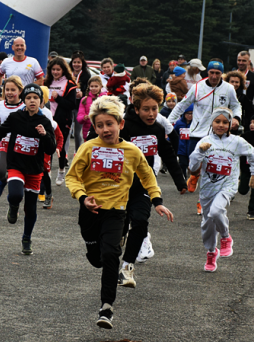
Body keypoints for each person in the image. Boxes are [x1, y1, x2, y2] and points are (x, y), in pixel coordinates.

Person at [66, 95, 174, 329]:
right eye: (100, 125)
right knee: (96, 259)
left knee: (110, 255)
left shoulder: (132, 151)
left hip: (116, 211)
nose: (105, 129)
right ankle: (101, 253)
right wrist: (83, 198)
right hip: (90, 212)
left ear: (120, 124)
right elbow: (72, 177)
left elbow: (147, 177)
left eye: (110, 124)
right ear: (94, 127)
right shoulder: (88, 148)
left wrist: (157, 201)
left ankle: (107, 308)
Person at [117, 83, 188, 286]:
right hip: (118, 186)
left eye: (155, 109)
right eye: (146, 109)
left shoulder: (157, 129)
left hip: (143, 186)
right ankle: (120, 237)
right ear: (136, 108)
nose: (151, 113)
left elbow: (167, 153)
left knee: (140, 221)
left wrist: (180, 181)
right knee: (120, 225)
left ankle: (127, 268)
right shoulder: (124, 126)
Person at [188, 107, 254, 272]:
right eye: (217, 121)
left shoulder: (237, 142)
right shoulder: (204, 141)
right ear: (212, 122)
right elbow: (192, 167)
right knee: (207, 224)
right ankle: (211, 252)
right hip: (208, 188)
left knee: (216, 211)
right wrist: (200, 152)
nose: (221, 125)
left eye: (225, 122)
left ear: (230, 124)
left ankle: (226, 237)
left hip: (227, 186)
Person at [0, 83, 56, 255]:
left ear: (41, 101)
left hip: (35, 169)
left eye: (35, 98)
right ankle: (13, 206)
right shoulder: (16, 117)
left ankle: (27, 238)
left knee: (30, 208)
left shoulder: (45, 121)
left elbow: (51, 149)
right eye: (28, 98)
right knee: (15, 194)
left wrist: (44, 135)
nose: (32, 101)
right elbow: (0, 132)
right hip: (16, 165)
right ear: (23, 101)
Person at [168, 60, 242, 155]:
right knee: (194, 168)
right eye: (212, 72)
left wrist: (236, 118)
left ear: (221, 73)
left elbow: (236, 105)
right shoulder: (197, 87)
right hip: (197, 135)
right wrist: (168, 124)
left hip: (219, 136)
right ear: (207, 72)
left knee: (215, 168)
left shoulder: (229, 88)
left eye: (217, 73)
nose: (214, 76)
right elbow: (181, 106)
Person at [45, 56, 78, 184]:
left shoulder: (69, 84)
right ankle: (47, 172)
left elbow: (72, 105)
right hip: (48, 118)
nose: (55, 72)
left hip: (63, 120)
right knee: (47, 146)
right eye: (53, 69)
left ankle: (61, 171)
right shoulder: (47, 83)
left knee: (61, 146)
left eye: (58, 69)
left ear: (63, 70)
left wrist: (58, 98)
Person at [0, 75, 25, 195]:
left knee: (20, 181)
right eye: (7, 90)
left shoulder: (24, 107)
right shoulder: (0, 105)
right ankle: (3, 179)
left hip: (20, 145)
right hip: (4, 143)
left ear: (20, 91)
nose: (9, 93)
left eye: (13, 90)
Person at [70, 52, 92, 150]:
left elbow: (89, 89)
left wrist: (82, 93)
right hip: (69, 105)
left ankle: (77, 151)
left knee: (77, 132)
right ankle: (65, 155)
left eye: (79, 62)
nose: (76, 64)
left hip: (80, 106)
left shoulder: (86, 75)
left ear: (82, 63)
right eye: (74, 62)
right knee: (67, 131)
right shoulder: (68, 73)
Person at [77, 76, 105, 146]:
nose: (94, 88)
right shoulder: (84, 99)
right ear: (89, 87)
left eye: (96, 86)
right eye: (92, 86)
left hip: (102, 131)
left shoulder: (105, 98)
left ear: (101, 86)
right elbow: (79, 118)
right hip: (88, 132)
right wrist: (84, 117)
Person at [235, 50, 254, 116]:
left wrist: (253, 113)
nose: (241, 63)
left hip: (248, 113)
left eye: (244, 61)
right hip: (233, 110)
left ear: (249, 62)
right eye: (239, 60)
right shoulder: (231, 76)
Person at [170, 105, 194, 178]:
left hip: (192, 149)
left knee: (192, 166)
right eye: (187, 114)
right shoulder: (179, 123)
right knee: (182, 165)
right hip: (181, 149)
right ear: (184, 114)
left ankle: (191, 179)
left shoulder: (195, 124)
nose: (189, 116)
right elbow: (173, 133)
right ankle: (183, 178)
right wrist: (169, 141)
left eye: (191, 113)